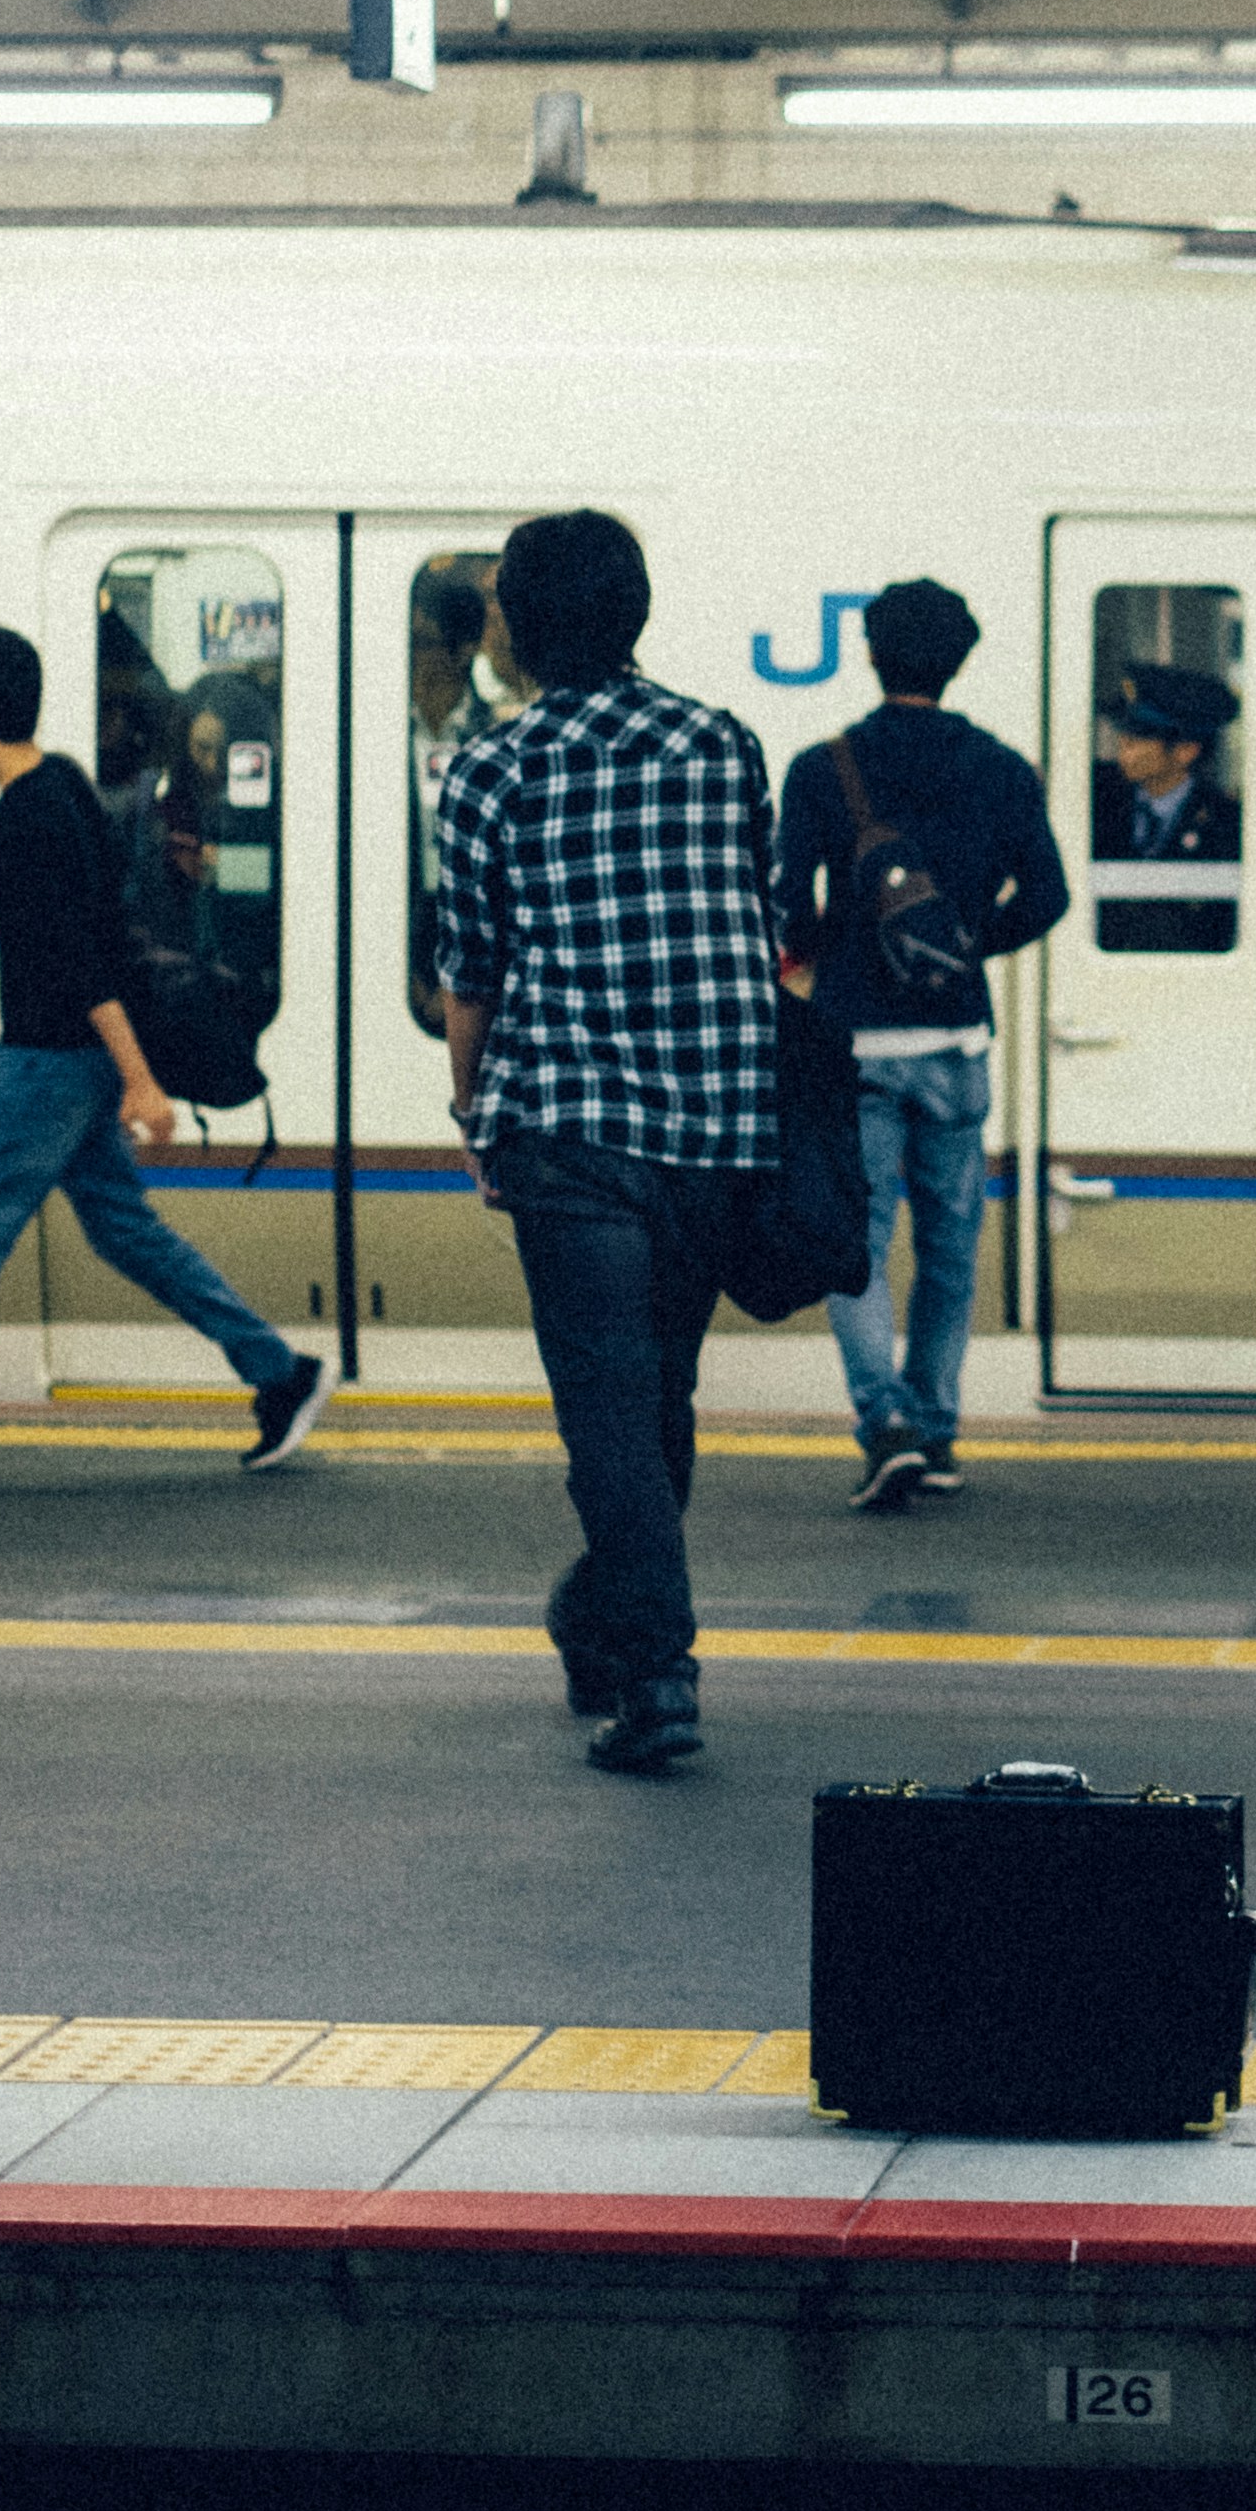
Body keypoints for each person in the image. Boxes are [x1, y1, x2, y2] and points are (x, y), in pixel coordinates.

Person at [425, 510, 785, 1775]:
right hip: (719, 1120)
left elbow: (471, 970)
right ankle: (604, 1618)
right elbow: (759, 905)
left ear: (514, 630)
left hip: (570, 1129)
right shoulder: (723, 744)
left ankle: (655, 1669)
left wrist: (474, 1113)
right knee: (657, 1396)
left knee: (609, 1414)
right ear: (637, 613)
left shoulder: (489, 770)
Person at [0, 628, 325, 1489]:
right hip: (79, 1062)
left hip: (47, 1062)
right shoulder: (65, 782)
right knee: (126, 1232)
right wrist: (124, 1071)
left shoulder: (24, 815)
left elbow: (78, 960)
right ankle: (279, 1373)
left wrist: (139, 1080)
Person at [782, 576, 1068, 1512]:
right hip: (955, 1040)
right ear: (960, 660)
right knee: (949, 1247)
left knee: (856, 1245)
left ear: (870, 652)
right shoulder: (1001, 768)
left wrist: (836, 950)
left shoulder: (825, 769)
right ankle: (936, 1434)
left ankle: (886, 1422)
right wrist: (963, 946)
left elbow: (789, 906)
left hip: (854, 1042)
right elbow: (1048, 897)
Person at [1092, 664, 1244, 863]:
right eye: (1124, 731)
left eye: (1141, 735)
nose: (1124, 742)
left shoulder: (1225, 821)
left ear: (1186, 751)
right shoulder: (1098, 797)